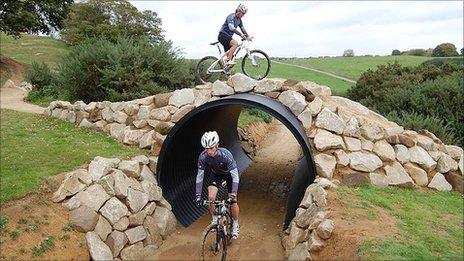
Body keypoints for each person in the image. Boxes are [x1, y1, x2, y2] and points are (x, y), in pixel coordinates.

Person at [195, 131, 241, 239]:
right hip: (216, 175)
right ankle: (215, 220)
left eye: (211, 148)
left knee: (232, 202)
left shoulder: (225, 155)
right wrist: (198, 195)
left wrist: (233, 195)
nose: (209, 151)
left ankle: (235, 224)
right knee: (211, 197)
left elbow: (235, 176)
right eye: (207, 149)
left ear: (216, 145)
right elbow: (199, 176)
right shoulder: (203, 157)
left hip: (229, 175)